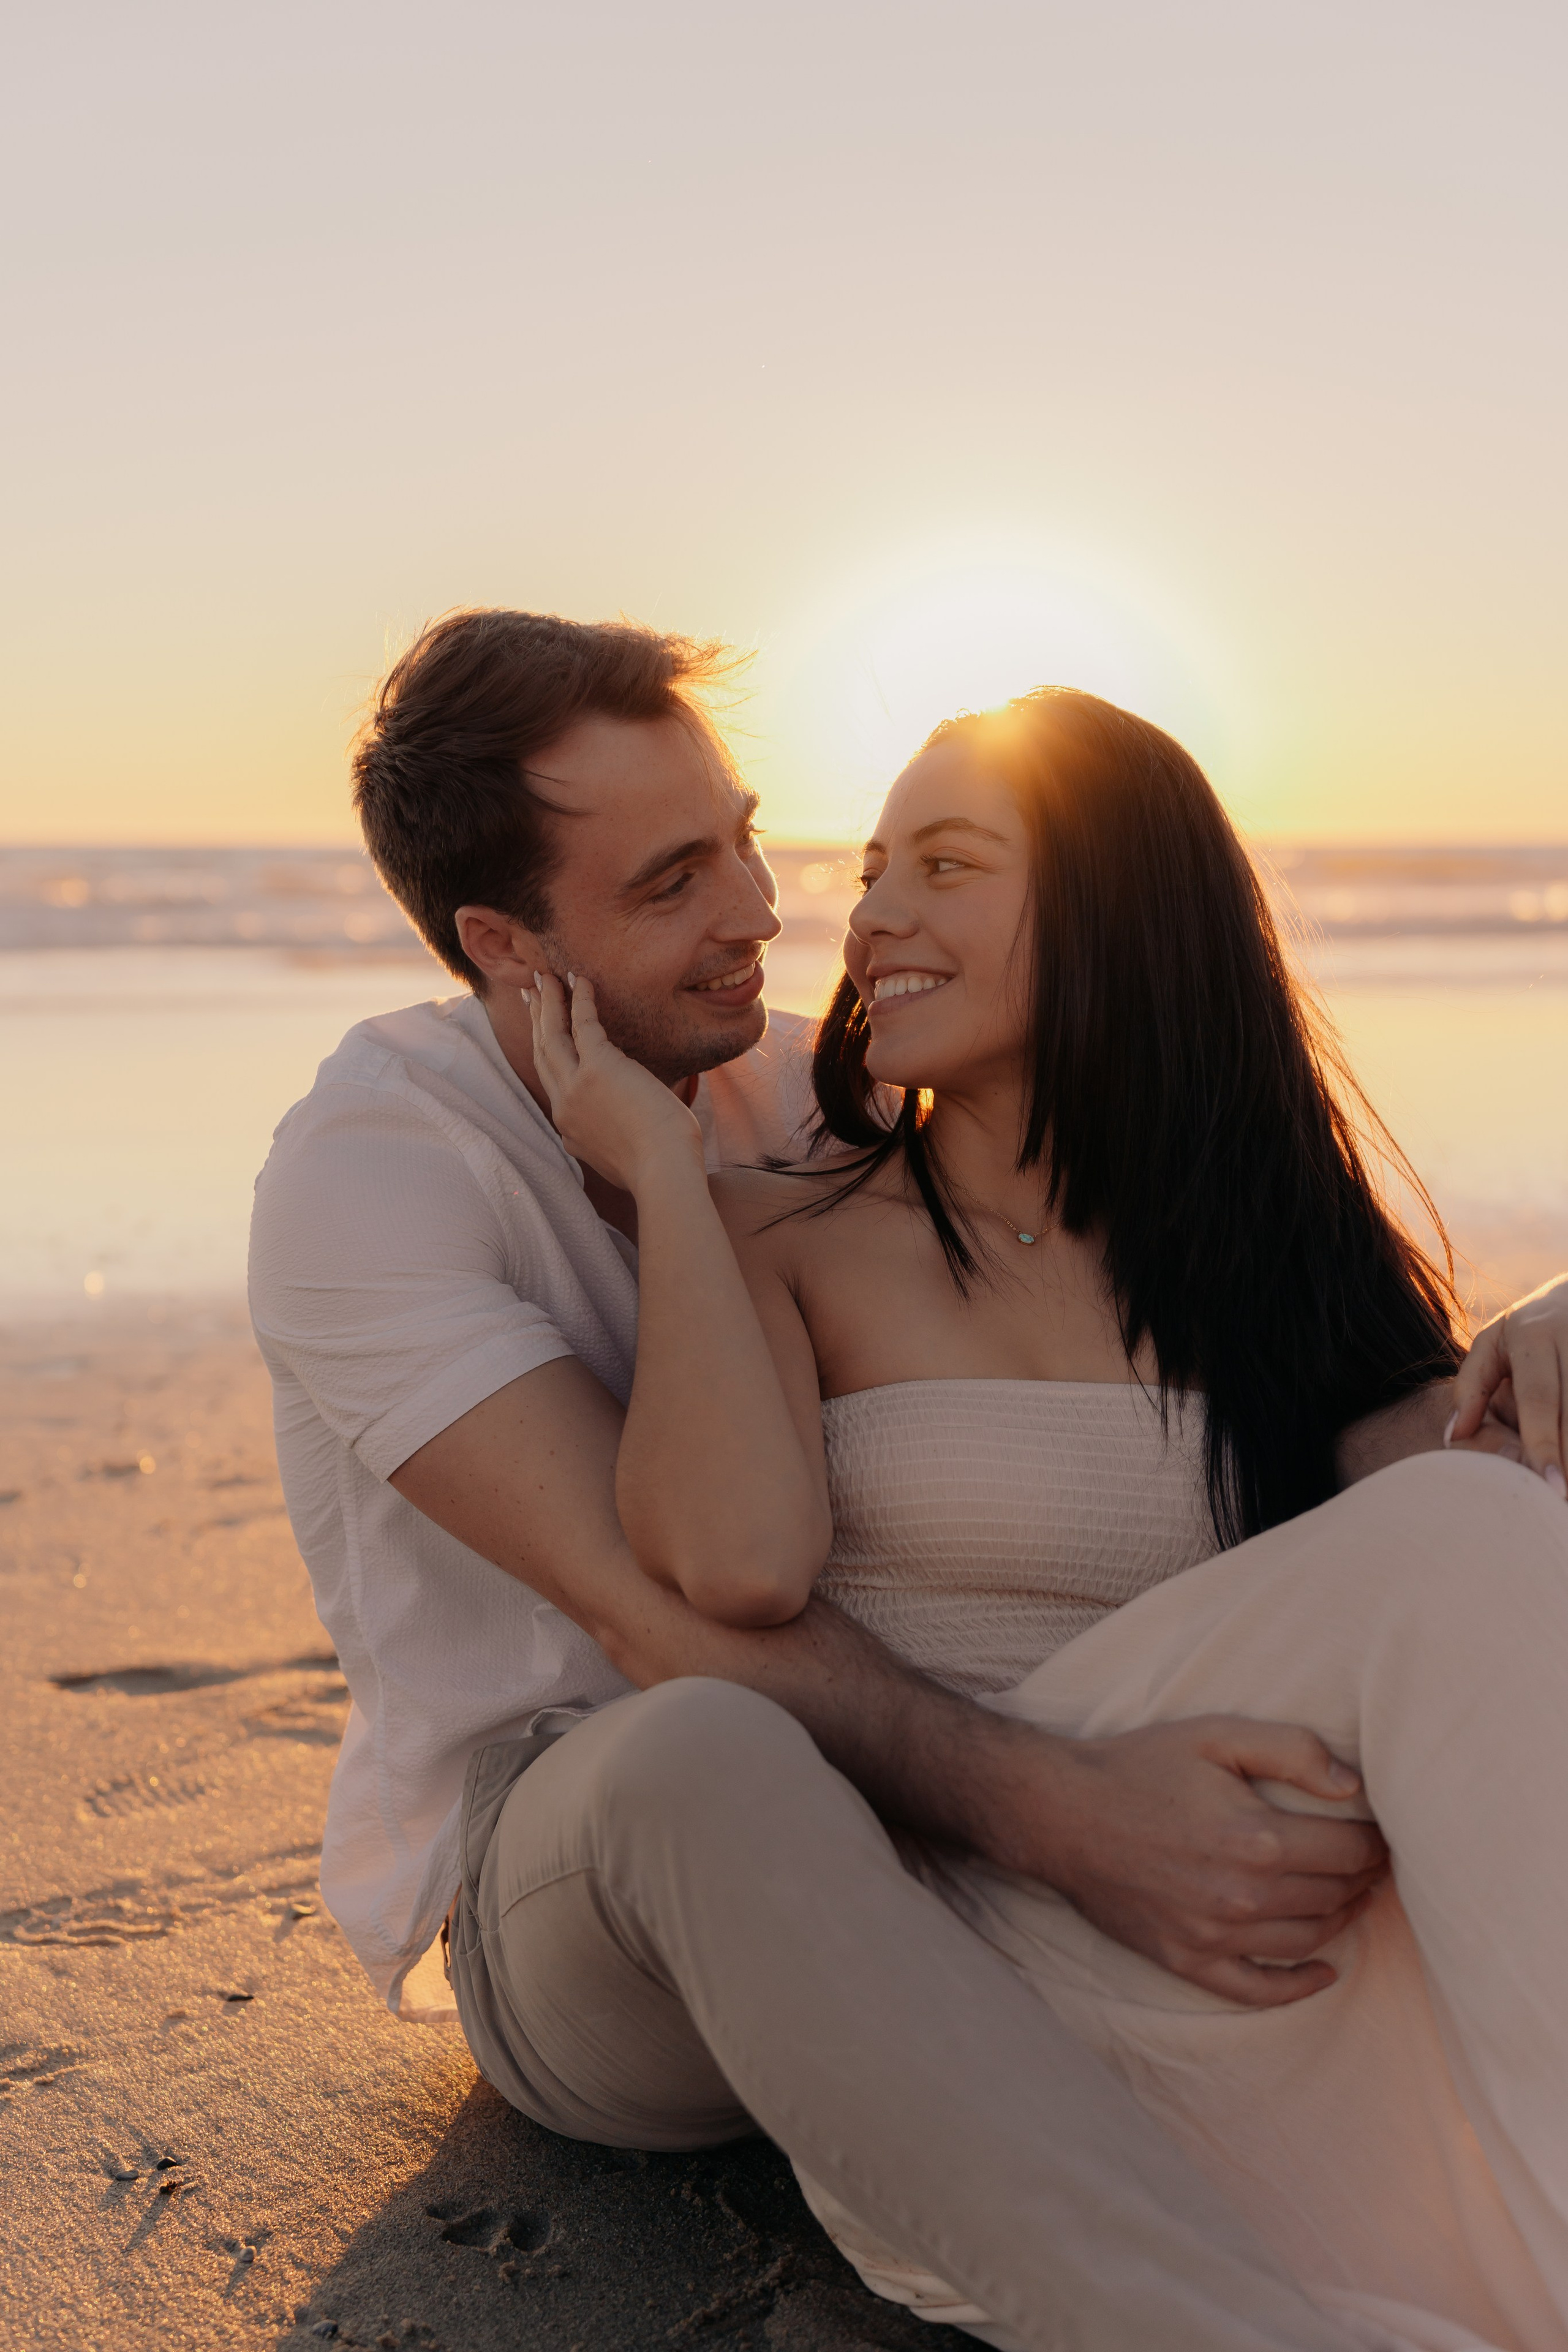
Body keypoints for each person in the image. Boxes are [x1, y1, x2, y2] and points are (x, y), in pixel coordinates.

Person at [248, 612, 1566, 2352]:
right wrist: (1067, 1813)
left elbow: (1347, 1426)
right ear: (508, 944)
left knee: (1470, 1528)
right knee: (708, 1749)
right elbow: (674, 1608)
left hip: (959, 1840)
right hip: (590, 1846)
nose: (774, 914)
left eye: (749, 840)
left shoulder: (831, 1088)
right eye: (673, 882)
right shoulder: (377, 1174)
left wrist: (1539, 1327)